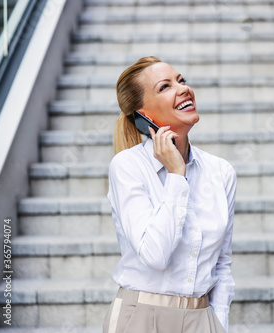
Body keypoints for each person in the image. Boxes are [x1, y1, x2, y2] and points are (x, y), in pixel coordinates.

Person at [103, 56, 236, 333]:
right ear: (143, 116)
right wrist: (177, 175)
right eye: (165, 87)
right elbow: (155, 255)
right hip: (140, 318)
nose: (183, 89)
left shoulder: (221, 172)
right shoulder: (127, 167)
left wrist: (218, 323)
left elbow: (222, 263)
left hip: (203, 319)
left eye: (181, 80)